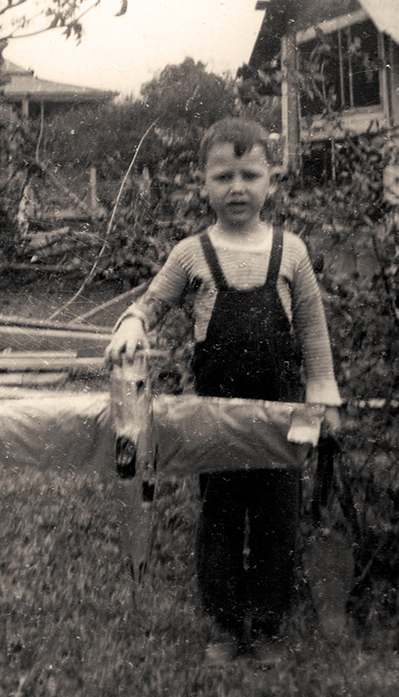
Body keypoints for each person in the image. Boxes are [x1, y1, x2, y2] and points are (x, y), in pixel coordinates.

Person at [105, 116, 342, 667]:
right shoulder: (191, 253)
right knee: (220, 513)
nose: (238, 187)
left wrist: (324, 395)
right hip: (215, 413)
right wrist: (132, 324)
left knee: (278, 514)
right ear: (204, 185)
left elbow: (312, 329)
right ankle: (226, 623)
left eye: (250, 174)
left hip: (284, 412)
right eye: (224, 176)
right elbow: (151, 303)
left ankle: (267, 623)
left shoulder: (292, 252)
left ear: (272, 183)